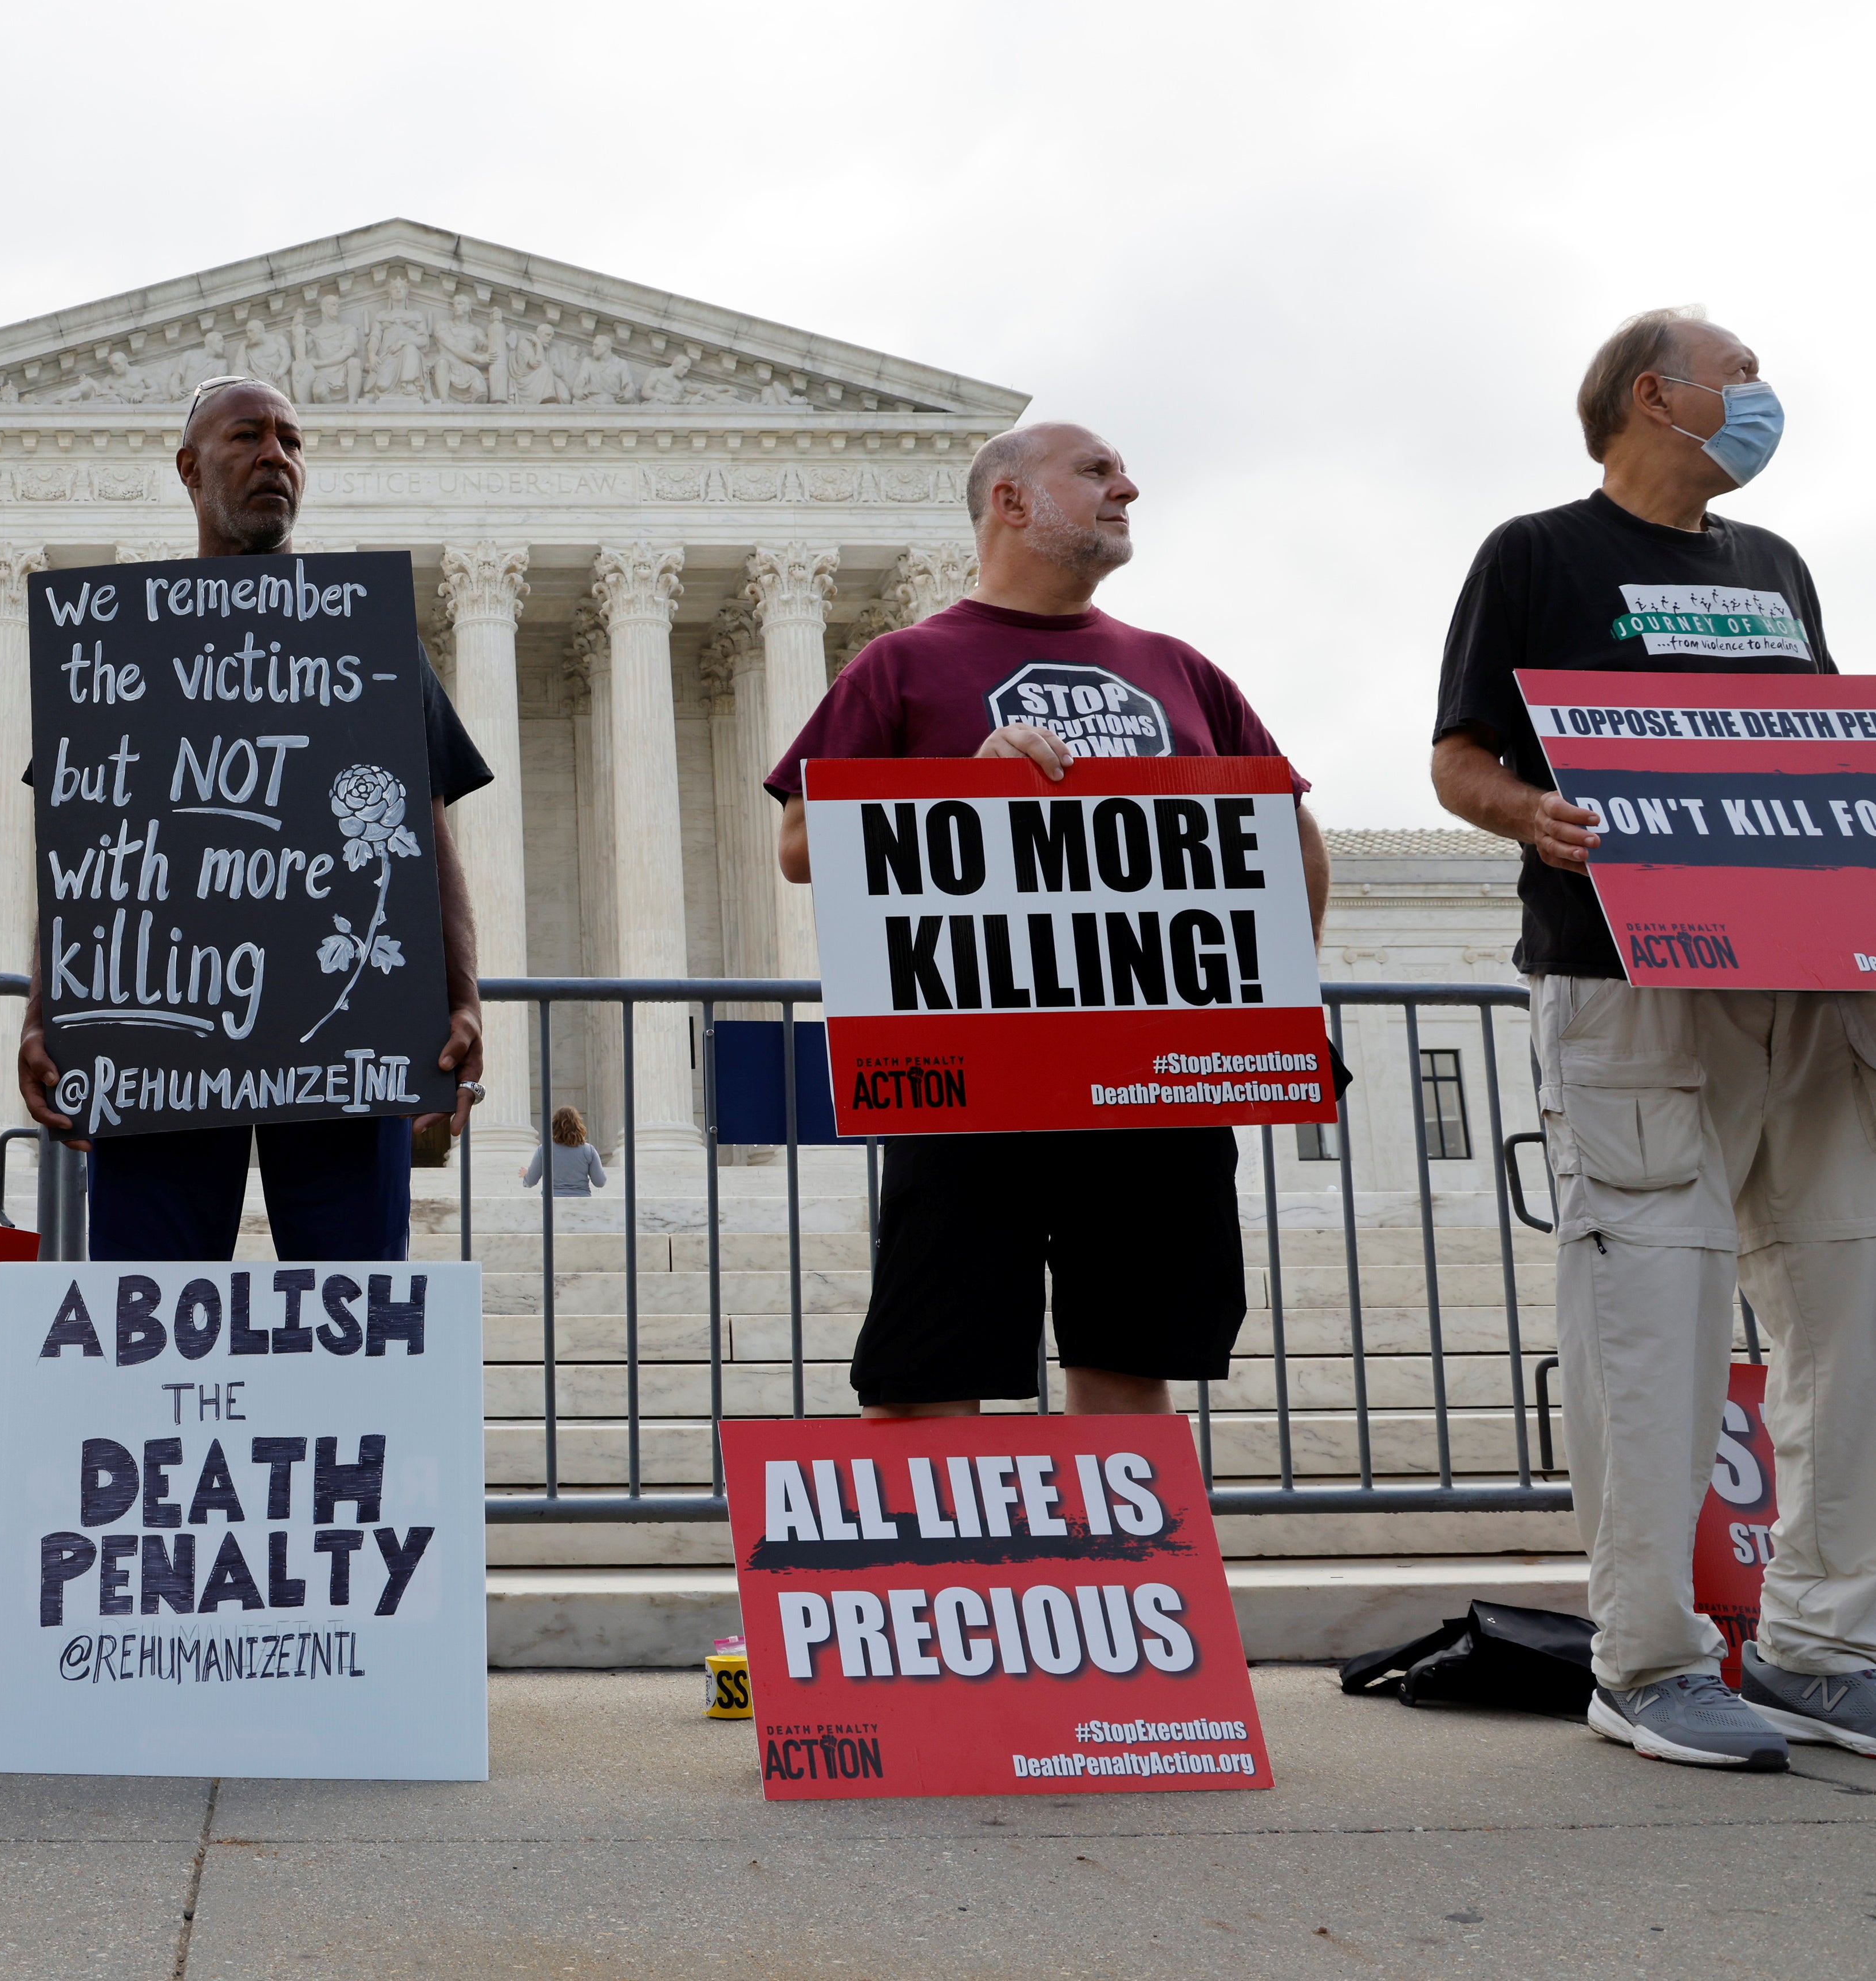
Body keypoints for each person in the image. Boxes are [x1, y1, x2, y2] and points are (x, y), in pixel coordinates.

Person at [1433, 307, 1876, 1772]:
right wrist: (1528, 814)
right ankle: (1645, 1657)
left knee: (1844, 1308)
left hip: (1809, 994)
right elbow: (1458, 759)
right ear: (1654, 395)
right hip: (1625, 980)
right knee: (1654, 1320)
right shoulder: (1535, 555)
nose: (1761, 402)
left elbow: (1817, 754)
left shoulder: (1773, 568)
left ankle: (1822, 1645)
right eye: (1740, 377)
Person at [770, 420, 1328, 1422]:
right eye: (1097, 471)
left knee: (1131, 1360)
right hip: (969, 1075)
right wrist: (962, 794)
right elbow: (802, 846)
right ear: (1010, 502)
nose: (1129, 487)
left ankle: (1122, 1579)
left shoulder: (1181, 667)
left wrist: (1273, 1003)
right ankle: (933, 1580)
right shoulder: (900, 666)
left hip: (1157, 1070)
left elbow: (1287, 834)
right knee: (928, 1369)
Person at [17, 377, 490, 1261]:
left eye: (292, 441)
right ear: (191, 469)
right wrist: (48, 1012)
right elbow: (85, 855)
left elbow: (424, 836)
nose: (277, 455)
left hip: (345, 1039)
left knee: (353, 1312)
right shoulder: (119, 645)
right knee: (144, 1313)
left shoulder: (368, 640)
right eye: (249, 437)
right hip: (157, 1033)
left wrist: (460, 996)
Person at [522, 1107, 607, 1199]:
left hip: (552, 1203)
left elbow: (530, 1181)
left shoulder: (545, 1149)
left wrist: (527, 1174)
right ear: (578, 1126)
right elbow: (600, 1182)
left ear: (555, 1126)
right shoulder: (589, 1150)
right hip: (582, 1202)